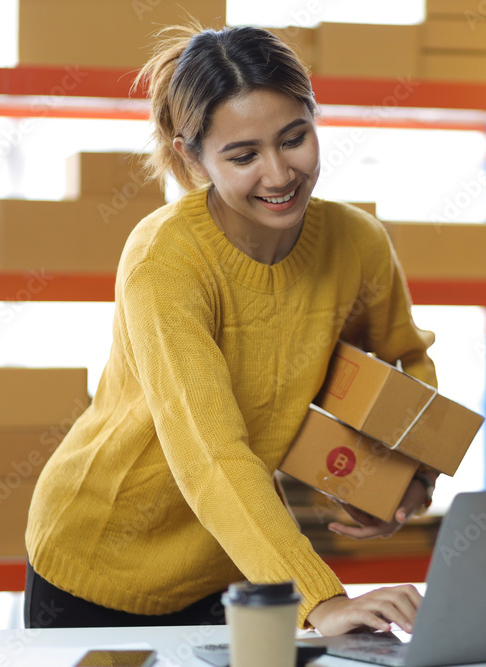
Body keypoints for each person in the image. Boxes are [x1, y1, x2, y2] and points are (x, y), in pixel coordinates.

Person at [23, 24, 439, 636]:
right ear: (191, 156)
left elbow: (406, 366)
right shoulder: (166, 261)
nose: (278, 174)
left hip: (235, 565)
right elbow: (210, 453)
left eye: (294, 139)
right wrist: (321, 600)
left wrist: (406, 479)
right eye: (243, 156)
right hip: (98, 562)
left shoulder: (358, 243)